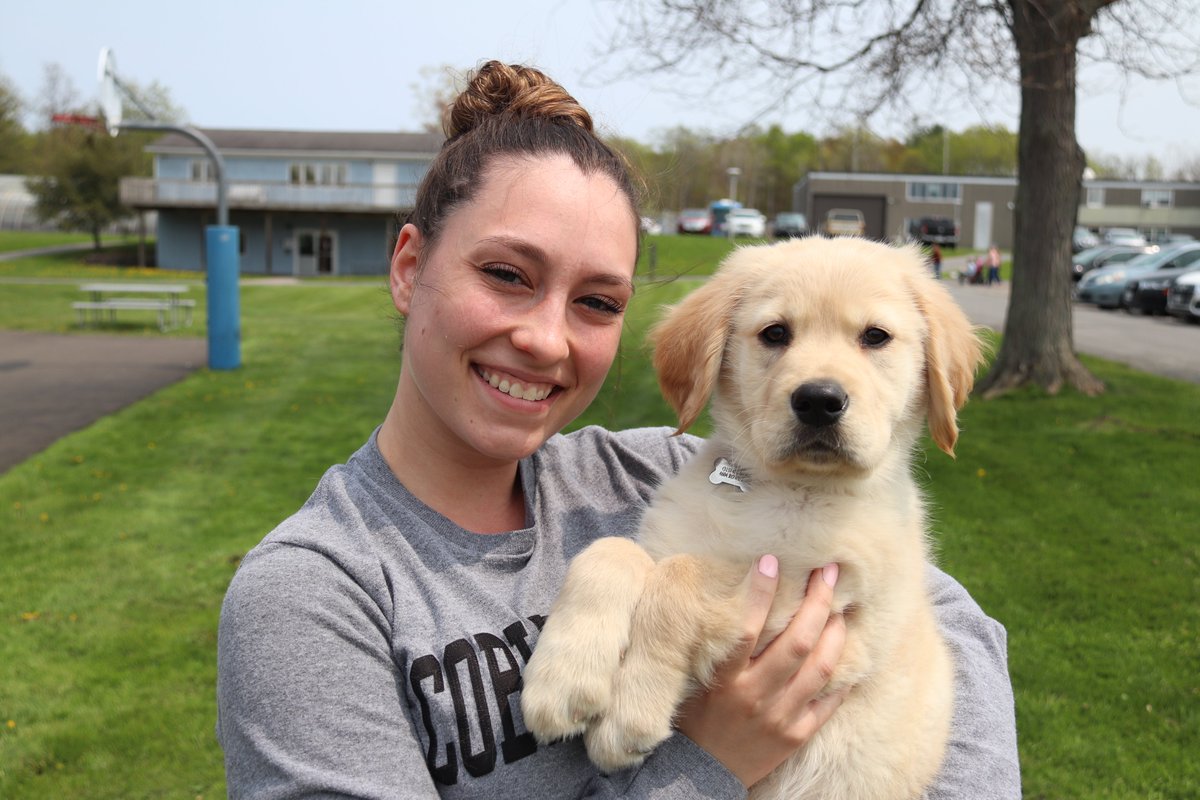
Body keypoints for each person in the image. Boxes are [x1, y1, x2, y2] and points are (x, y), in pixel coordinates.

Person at [217, 60, 1020, 799]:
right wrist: (708, 762)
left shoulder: (666, 470)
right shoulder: (316, 594)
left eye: (597, 301)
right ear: (407, 267)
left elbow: (950, 618)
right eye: (506, 275)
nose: (545, 338)